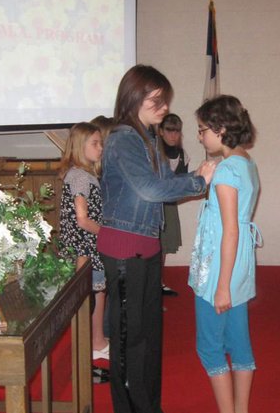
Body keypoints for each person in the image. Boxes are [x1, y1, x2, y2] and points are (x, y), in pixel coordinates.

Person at [99, 64, 216, 413]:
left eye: (165, 100)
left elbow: (165, 191)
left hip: (146, 249)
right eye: (157, 100)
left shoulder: (148, 138)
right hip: (124, 252)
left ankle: (149, 407)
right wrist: (198, 182)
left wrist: (196, 177)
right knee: (128, 342)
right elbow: (151, 190)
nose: (164, 107)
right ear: (134, 97)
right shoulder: (123, 139)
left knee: (149, 339)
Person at [189, 95, 261, 413]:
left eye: (202, 129)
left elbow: (229, 230)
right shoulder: (244, 162)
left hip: (219, 267)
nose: (200, 136)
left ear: (219, 129)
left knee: (210, 347)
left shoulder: (226, 170)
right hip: (237, 261)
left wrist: (221, 285)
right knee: (238, 339)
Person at [58, 122, 109, 384]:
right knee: (89, 299)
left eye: (101, 143)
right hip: (86, 249)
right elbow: (82, 219)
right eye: (95, 143)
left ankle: (97, 341)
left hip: (88, 247)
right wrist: (108, 234)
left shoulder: (83, 174)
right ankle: (92, 345)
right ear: (80, 146)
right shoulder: (79, 176)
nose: (100, 148)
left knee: (97, 295)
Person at [158, 113, 189, 296]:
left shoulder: (183, 155)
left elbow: (182, 184)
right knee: (152, 246)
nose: (173, 136)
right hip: (152, 205)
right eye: (169, 131)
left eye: (176, 131)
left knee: (164, 246)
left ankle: (159, 282)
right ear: (161, 132)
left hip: (169, 206)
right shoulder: (153, 153)